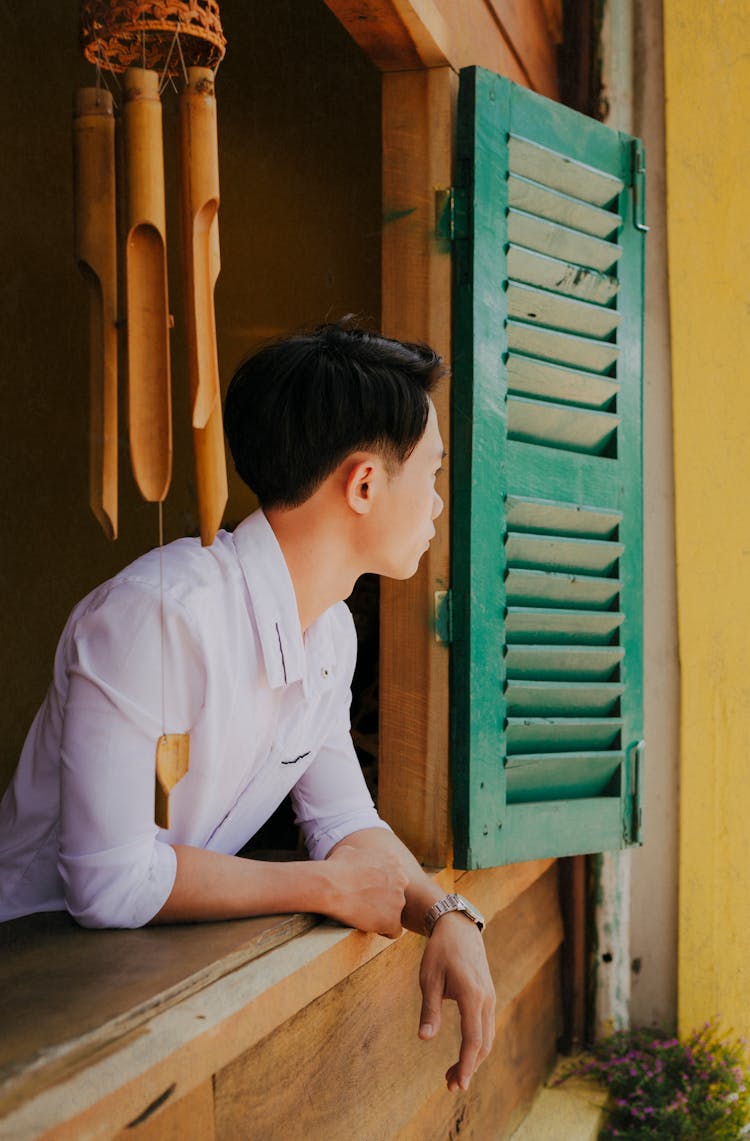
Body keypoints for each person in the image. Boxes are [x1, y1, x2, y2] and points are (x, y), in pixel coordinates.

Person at [0, 322, 495, 1092]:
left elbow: (343, 823)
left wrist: (447, 913)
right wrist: (319, 885)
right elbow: (108, 882)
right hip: (31, 981)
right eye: (430, 474)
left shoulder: (330, 630)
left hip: (140, 979)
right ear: (364, 484)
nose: (437, 503)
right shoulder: (158, 618)